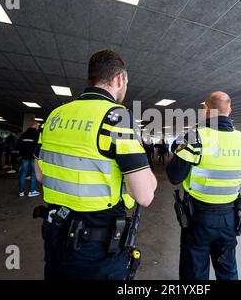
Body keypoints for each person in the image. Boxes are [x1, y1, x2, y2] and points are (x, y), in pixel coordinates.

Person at [34, 50, 157, 280]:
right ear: (119, 79)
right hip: (97, 250)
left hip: (55, 240)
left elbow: (40, 174)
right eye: (126, 83)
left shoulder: (54, 116)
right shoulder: (117, 118)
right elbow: (144, 196)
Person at [166, 92, 241, 280]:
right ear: (229, 111)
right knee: (227, 271)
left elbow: (174, 176)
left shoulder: (195, 138)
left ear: (206, 110)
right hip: (230, 217)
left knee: (194, 273)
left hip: (198, 218)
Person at [17, 124, 40, 197]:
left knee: (23, 173)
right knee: (33, 174)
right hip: (33, 156)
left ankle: (21, 192)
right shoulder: (37, 134)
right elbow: (39, 145)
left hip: (25, 156)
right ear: (36, 127)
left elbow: (19, 145)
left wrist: (22, 154)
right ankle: (31, 191)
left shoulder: (23, 134)